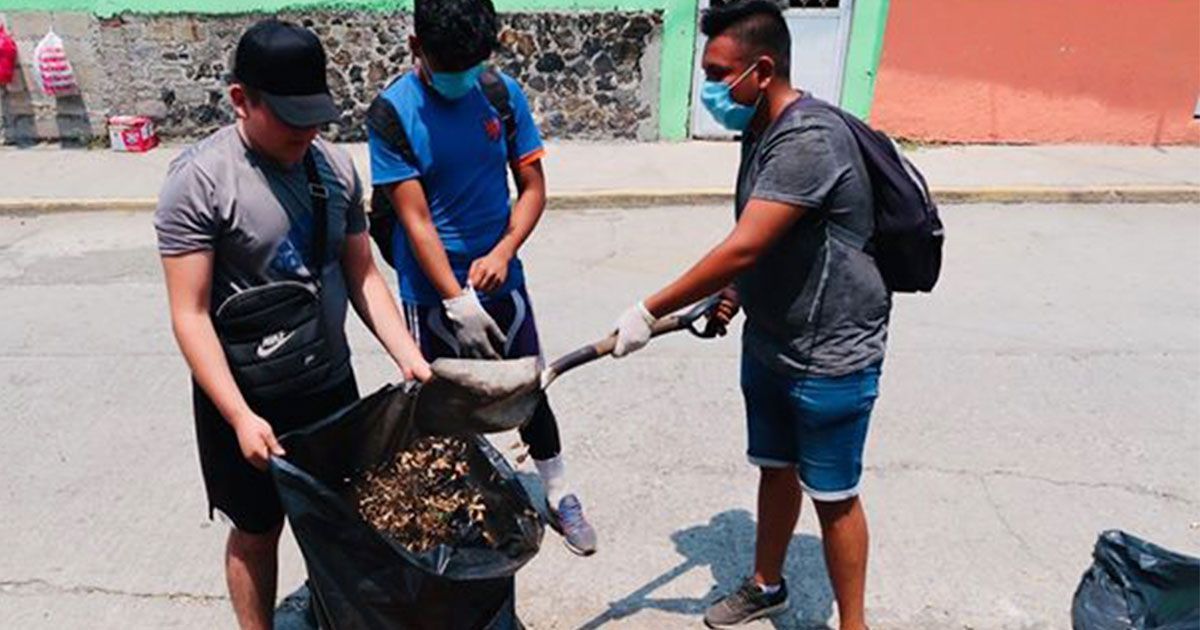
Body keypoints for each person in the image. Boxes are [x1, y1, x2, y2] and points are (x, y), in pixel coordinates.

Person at [610, 1, 889, 628]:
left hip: (831, 352)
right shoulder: (759, 128)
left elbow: (744, 243)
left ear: (761, 71)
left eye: (717, 74)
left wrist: (646, 310)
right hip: (772, 339)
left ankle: (854, 625)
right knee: (775, 465)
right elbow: (763, 234)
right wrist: (734, 295)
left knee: (835, 496)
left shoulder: (810, 139)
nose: (710, 87)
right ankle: (767, 584)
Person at [155, 20, 430, 629]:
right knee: (257, 530)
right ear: (240, 100)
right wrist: (238, 417)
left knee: (342, 521)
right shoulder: (199, 181)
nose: (305, 131)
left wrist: (407, 354)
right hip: (245, 395)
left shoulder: (332, 166)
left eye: (314, 116)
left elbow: (362, 275)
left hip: (328, 383)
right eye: (288, 116)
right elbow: (190, 314)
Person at [366, 0, 598, 556]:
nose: (461, 80)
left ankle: (559, 492)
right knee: (446, 407)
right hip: (431, 292)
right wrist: (454, 299)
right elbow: (414, 219)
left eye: (473, 65)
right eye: (450, 68)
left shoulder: (499, 94)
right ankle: (462, 505)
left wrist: (505, 250)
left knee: (527, 388)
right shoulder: (392, 113)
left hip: (502, 282)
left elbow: (534, 189)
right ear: (415, 48)